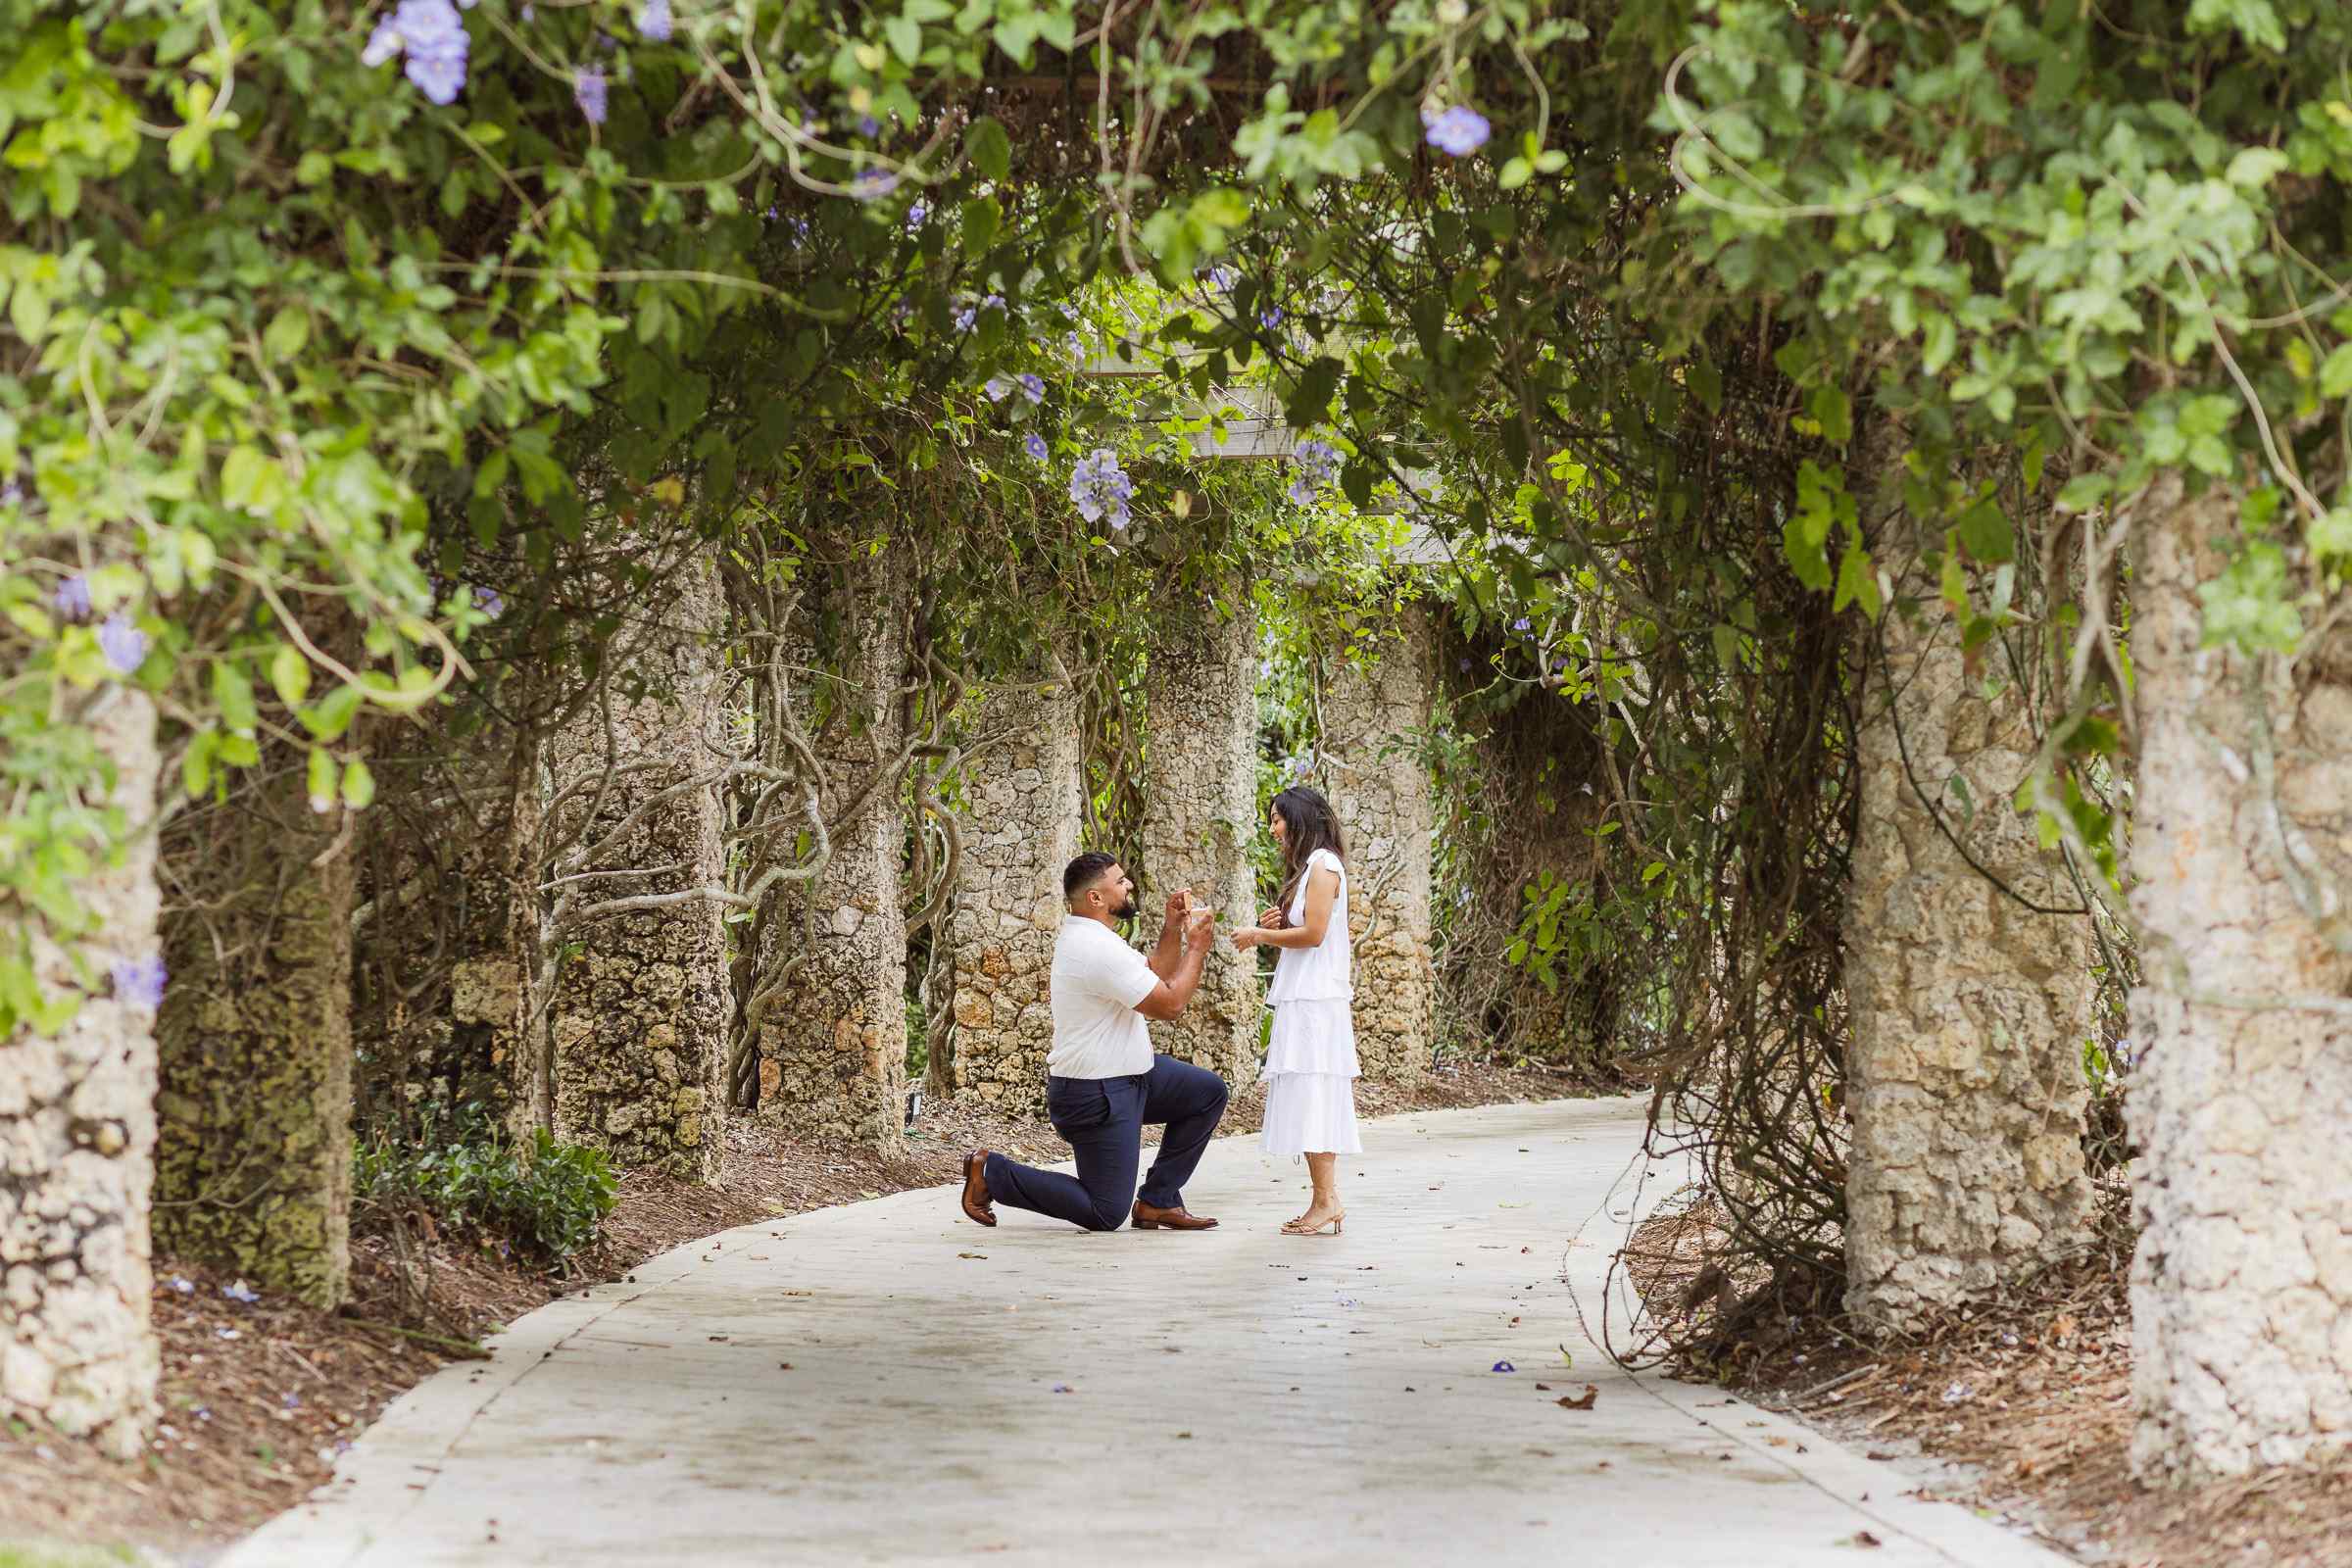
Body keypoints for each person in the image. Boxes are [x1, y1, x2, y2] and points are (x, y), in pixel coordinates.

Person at [957, 852, 1230, 1233]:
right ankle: (992, 1172)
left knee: (1207, 1092)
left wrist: (1172, 928)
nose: (1129, 884)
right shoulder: (1095, 950)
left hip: (1134, 1078)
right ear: (1096, 899)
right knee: (1105, 1212)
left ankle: (1158, 1200)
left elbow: (1155, 974)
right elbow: (1170, 1004)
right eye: (1120, 881)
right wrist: (1197, 947)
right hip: (1095, 1093)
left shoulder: (1100, 939)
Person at [1230, 786, 1358, 1235]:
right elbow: (1305, 929)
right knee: (1309, 1095)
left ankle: (1326, 1200)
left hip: (1316, 1002)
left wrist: (1260, 936)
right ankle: (1326, 1199)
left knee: (1315, 1094)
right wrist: (1283, 923)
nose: (1273, 829)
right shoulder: (1311, 869)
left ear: (1299, 819)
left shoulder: (1323, 866)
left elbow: (1317, 934)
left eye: (1277, 819)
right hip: (1305, 996)